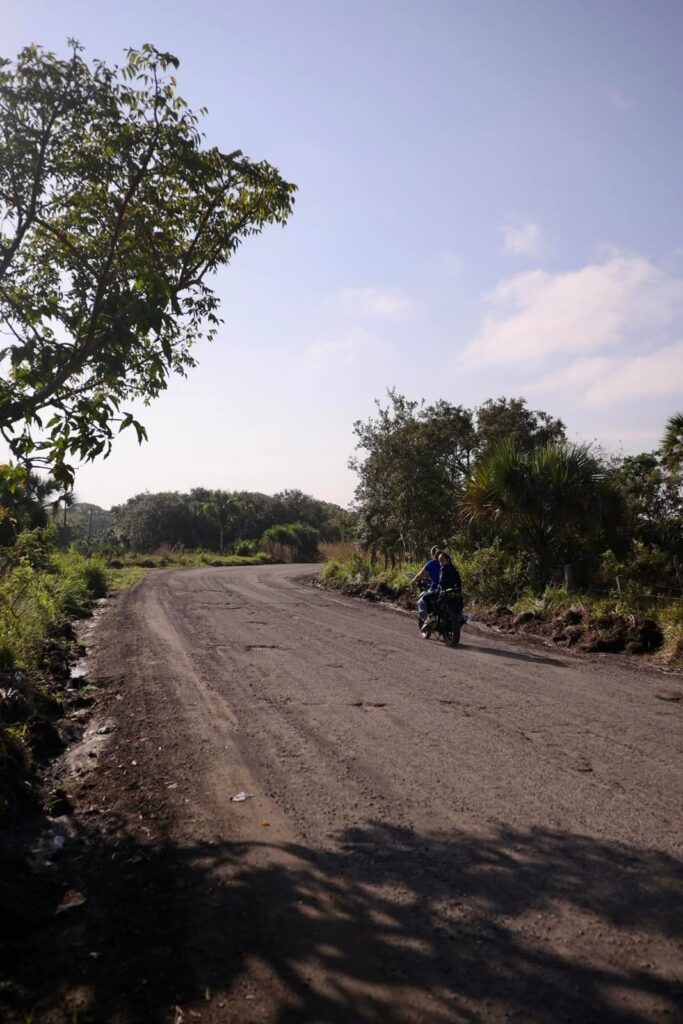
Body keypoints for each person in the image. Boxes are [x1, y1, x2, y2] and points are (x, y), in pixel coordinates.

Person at [411, 544, 442, 624]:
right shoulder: (447, 562)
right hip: (450, 587)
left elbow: (420, 575)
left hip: (436, 588)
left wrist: (413, 581)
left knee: (421, 601)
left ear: (432, 554)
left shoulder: (431, 563)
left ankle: (429, 619)